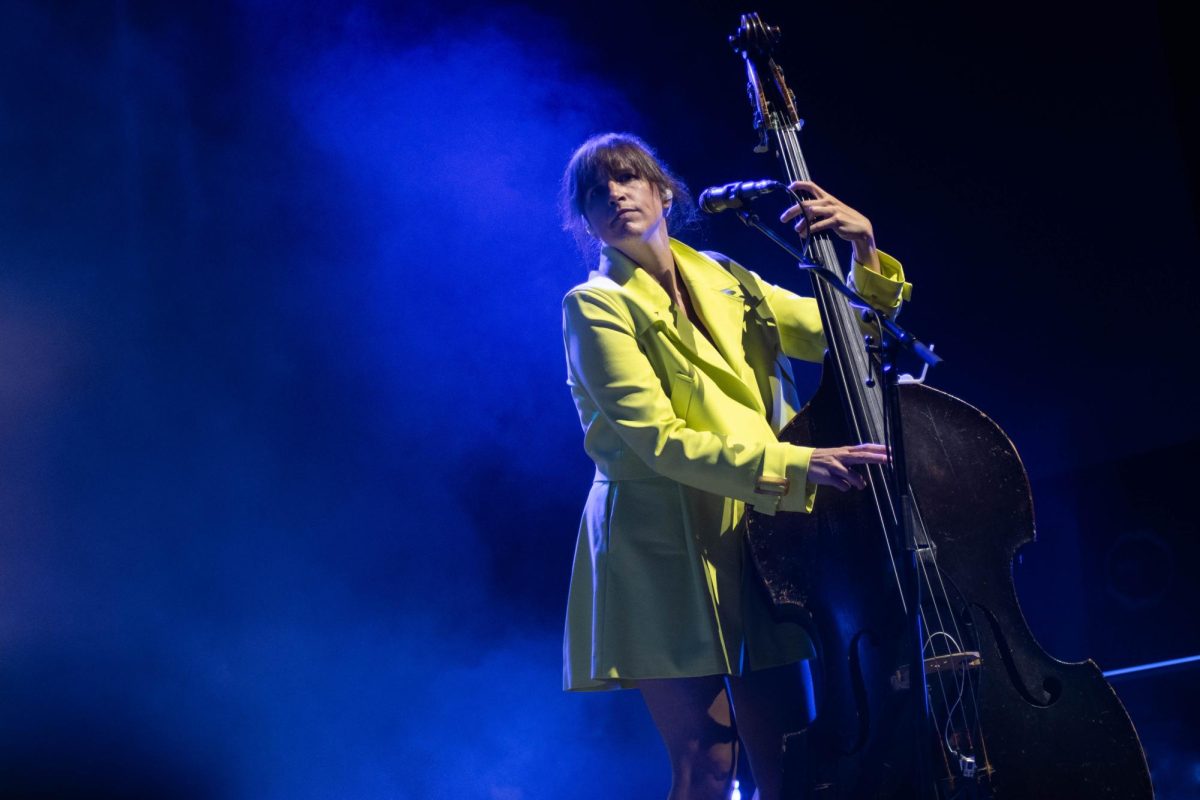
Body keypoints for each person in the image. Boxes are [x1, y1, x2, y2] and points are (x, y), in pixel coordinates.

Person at [558, 132, 911, 800]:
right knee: (708, 766)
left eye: (628, 178)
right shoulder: (594, 305)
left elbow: (847, 333)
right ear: (585, 220)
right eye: (595, 191)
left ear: (663, 192)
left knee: (787, 763)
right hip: (658, 545)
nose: (614, 194)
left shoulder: (725, 276)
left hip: (754, 530)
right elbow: (658, 440)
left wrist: (865, 249)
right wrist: (797, 462)